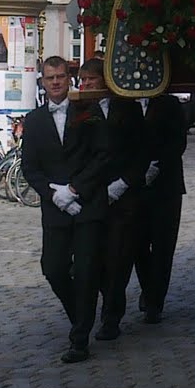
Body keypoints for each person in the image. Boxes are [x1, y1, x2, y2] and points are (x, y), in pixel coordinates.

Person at [20, 55, 113, 364]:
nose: (56, 82)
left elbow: (102, 156)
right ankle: (80, 316)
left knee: (86, 271)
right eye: (50, 78)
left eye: (61, 76)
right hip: (55, 208)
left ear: (69, 78)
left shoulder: (89, 112)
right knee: (54, 268)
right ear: (43, 82)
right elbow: (30, 167)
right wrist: (53, 194)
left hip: (88, 205)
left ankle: (79, 339)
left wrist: (74, 190)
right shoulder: (33, 121)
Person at [77, 57, 147, 341]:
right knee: (94, 259)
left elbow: (141, 151)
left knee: (118, 260)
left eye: (90, 80)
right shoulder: (80, 109)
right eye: (82, 80)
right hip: (92, 197)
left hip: (123, 198)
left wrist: (123, 183)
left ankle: (111, 317)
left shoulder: (127, 108)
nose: (85, 85)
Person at [134, 92, 189, 323]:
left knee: (163, 247)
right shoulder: (126, 103)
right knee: (137, 245)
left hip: (166, 186)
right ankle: (148, 288)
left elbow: (177, 142)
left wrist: (157, 166)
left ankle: (155, 300)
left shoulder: (170, 104)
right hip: (135, 186)